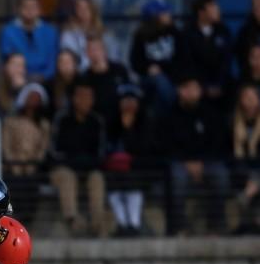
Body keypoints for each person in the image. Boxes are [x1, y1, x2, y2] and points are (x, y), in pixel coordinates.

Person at [165, 76, 229, 234]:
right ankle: (178, 227)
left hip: (207, 161)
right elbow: (166, 145)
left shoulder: (209, 114)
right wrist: (186, 162)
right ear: (180, 91)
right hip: (180, 162)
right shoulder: (170, 115)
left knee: (220, 174)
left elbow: (217, 142)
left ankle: (216, 226)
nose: (193, 92)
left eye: (195, 88)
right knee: (177, 177)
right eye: (188, 88)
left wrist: (202, 161)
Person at [49, 81, 107, 237]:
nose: (85, 100)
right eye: (81, 96)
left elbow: (101, 153)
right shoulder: (62, 119)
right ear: (74, 99)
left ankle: (97, 223)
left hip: (88, 168)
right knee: (67, 176)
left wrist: (86, 162)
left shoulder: (97, 121)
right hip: (64, 168)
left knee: (97, 178)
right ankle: (73, 220)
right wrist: (74, 161)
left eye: (89, 97)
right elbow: (53, 151)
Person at [105, 84, 154, 236]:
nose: (128, 106)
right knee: (113, 187)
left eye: (132, 101)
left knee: (133, 184)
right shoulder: (112, 121)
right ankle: (122, 224)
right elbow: (107, 147)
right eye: (125, 101)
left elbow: (143, 150)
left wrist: (129, 129)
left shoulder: (145, 122)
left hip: (137, 170)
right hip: (113, 171)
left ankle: (134, 224)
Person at [230, 85, 260, 234]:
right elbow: (232, 157)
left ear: (259, 101)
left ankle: (256, 224)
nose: (249, 101)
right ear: (240, 101)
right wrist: (248, 177)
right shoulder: (231, 124)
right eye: (246, 97)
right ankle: (255, 225)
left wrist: (256, 178)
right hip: (241, 175)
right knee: (253, 185)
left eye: (253, 97)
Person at [2, 83, 50, 220]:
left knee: (31, 186)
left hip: (32, 167)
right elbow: (6, 145)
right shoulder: (11, 122)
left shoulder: (44, 125)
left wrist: (33, 164)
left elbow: (42, 148)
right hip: (12, 165)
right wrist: (14, 164)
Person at [129, 0, 181, 111]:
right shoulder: (141, 36)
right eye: (164, 13)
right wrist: (148, 68)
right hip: (148, 78)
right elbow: (135, 62)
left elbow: (182, 59)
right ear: (155, 17)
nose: (169, 15)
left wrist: (162, 68)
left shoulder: (175, 33)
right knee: (158, 80)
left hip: (173, 76)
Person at [182, 0, 232, 109]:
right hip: (197, 84)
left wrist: (219, 84)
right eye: (213, 7)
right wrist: (203, 86)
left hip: (221, 84)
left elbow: (226, 61)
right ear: (201, 12)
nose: (217, 10)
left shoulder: (223, 31)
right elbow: (188, 62)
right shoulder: (188, 33)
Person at [0, 0, 58, 80]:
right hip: (18, 79)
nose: (30, 11)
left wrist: (43, 77)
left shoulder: (50, 32)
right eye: (26, 7)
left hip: (46, 80)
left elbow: (52, 62)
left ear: (39, 9)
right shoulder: (8, 31)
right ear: (18, 9)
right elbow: (7, 60)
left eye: (33, 7)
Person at [79, 37, 131, 127]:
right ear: (87, 53)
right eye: (91, 50)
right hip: (96, 121)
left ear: (104, 51)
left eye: (97, 49)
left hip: (120, 118)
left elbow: (129, 92)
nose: (95, 53)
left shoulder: (119, 70)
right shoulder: (84, 77)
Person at [59, 0, 116, 70]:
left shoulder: (106, 34)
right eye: (79, 8)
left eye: (86, 8)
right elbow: (69, 59)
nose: (83, 11)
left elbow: (113, 57)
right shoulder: (68, 34)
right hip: (79, 74)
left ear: (93, 10)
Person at [46, 49, 79, 117]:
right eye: (62, 62)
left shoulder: (83, 83)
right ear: (57, 65)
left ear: (75, 64)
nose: (66, 65)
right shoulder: (50, 85)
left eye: (68, 62)